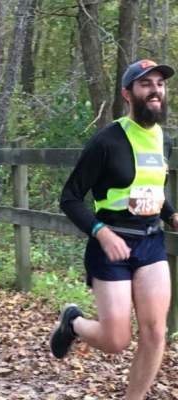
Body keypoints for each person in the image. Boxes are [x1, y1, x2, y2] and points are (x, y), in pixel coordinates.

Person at [49, 59, 178, 400]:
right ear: (127, 93)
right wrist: (102, 233)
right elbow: (70, 198)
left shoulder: (163, 138)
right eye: (146, 84)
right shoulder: (107, 141)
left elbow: (150, 188)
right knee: (116, 340)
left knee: (155, 332)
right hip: (110, 244)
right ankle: (73, 322)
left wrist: (172, 215)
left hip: (150, 242)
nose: (155, 90)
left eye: (160, 84)